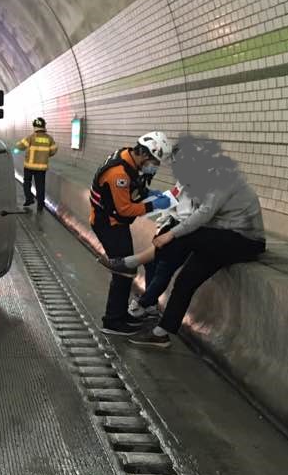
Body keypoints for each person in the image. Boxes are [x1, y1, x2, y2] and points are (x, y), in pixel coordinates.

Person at [127, 137, 266, 349]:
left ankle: (133, 263)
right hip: (220, 239)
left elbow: (203, 214)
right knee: (185, 281)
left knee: (182, 238)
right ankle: (161, 333)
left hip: (245, 240)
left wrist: (170, 235)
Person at [90, 132, 175, 335]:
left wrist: (147, 193)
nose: (155, 167)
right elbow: (124, 209)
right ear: (144, 154)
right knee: (123, 271)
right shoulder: (118, 173)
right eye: (154, 162)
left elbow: (132, 188)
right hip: (108, 224)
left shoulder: (128, 158)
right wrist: (154, 205)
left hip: (115, 223)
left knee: (127, 269)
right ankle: (112, 321)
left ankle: (119, 314)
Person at [100, 179, 197, 318]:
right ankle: (150, 304)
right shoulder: (183, 181)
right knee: (151, 263)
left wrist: (171, 232)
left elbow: (196, 216)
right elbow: (171, 202)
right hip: (172, 225)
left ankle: (143, 302)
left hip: (186, 230)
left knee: (165, 267)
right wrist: (161, 226)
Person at [12, 117, 57, 212]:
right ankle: (40, 205)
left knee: (27, 182)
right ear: (44, 126)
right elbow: (54, 150)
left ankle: (29, 198)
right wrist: (46, 155)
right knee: (40, 186)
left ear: (34, 127)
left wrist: (16, 146)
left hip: (29, 166)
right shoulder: (49, 138)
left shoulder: (31, 137)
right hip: (41, 167)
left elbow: (20, 146)